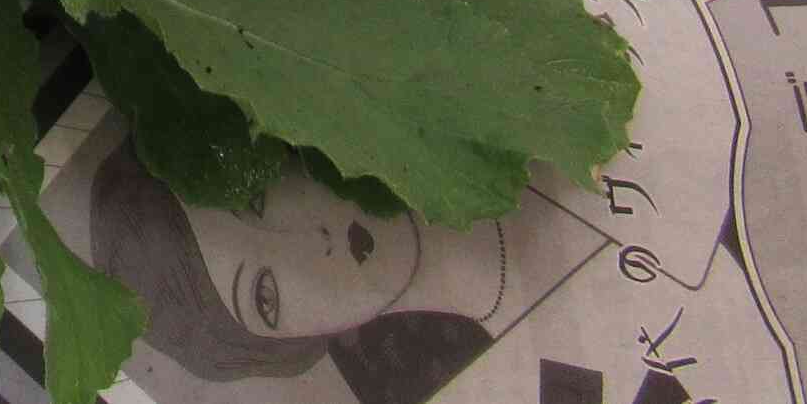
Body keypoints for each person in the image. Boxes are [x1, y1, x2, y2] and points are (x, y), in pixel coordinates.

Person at [86, 139, 508, 404]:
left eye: (255, 201)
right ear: (285, 346)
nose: (314, 241)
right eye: (263, 295)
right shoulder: (411, 375)